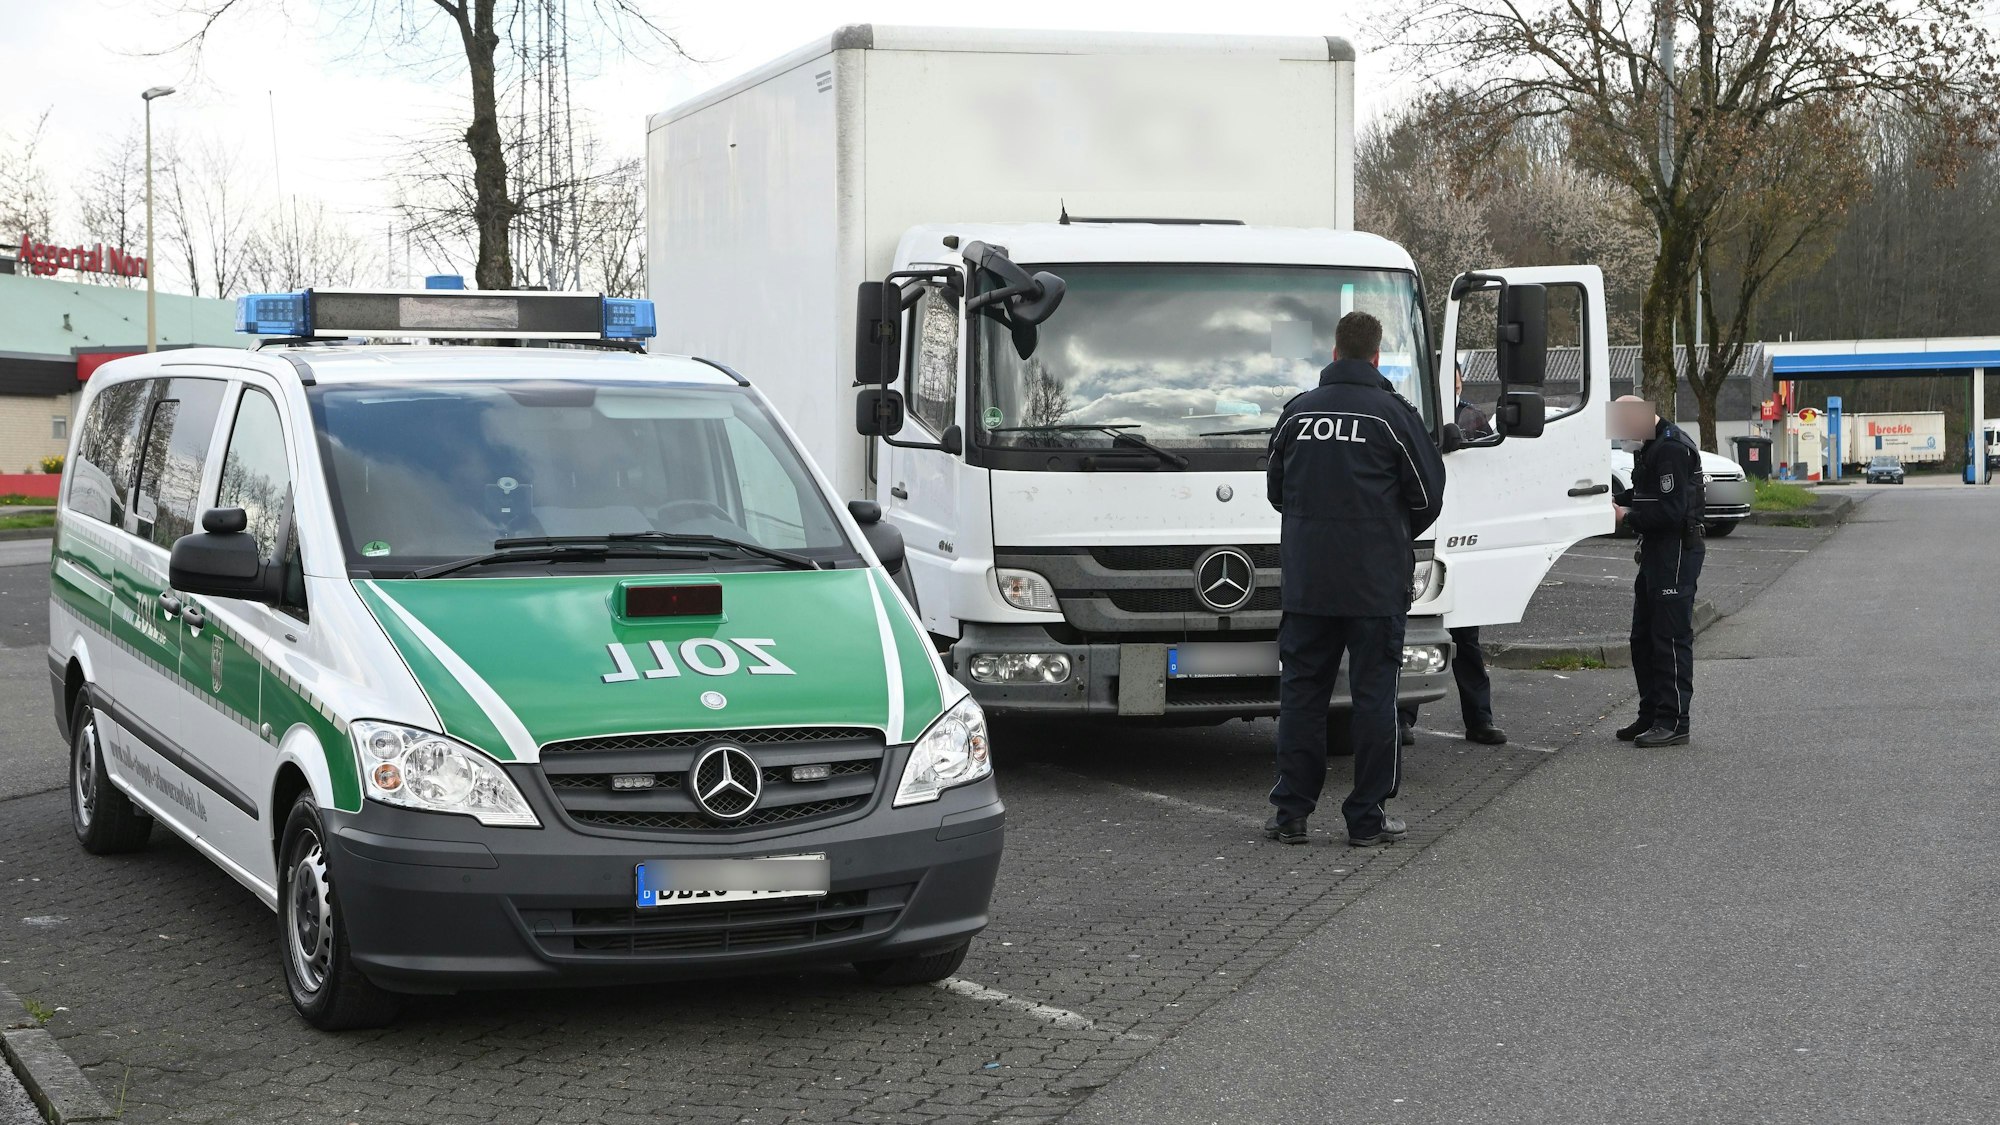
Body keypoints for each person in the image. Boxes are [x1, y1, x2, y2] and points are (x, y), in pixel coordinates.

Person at [1264, 312, 1446, 847]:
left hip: (1309, 584)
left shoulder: (1297, 415)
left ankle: (1290, 813)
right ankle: (1366, 819)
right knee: (1374, 700)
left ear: (1334, 350)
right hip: (1373, 586)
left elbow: (1276, 490)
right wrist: (1386, 532)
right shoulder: (1394, 416)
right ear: (1375, 356)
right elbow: (1428, 495)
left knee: (1301, 697)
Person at [1399, 361, 1505, 747]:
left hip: (1464, 537)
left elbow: (1491, 471)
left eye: (1452, 377)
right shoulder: (1411, 418)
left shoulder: (1474, 417)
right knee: (1412, 632)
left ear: (1459, 380)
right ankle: (1402, 717)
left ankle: (1480, 719)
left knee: (1466, 637)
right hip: (1426, 536)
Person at [1610, 395, 1705, 747]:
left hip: (1676, 550)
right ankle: (1650, 713)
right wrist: (1621, 499)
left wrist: (1626, 518)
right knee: (1643, 637)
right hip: (1655, 551)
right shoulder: (1650, 447)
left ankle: (1675, 720)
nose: (1621, 438)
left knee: (1669, 637)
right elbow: (1648, 493)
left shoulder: (1671, 450)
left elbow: (1672, 511)